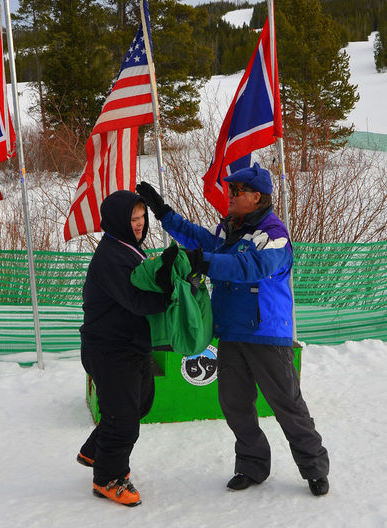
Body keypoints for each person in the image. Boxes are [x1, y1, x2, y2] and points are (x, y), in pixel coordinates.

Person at [136, 162, 330, 497]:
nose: (230, 195)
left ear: (256, 196)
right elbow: (199, 239)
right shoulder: (229, 229)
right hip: (231, 333)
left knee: (287, 405)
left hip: (266, 333)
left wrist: (204, 262)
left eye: (236, 191)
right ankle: (252, 465)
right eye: (230, 190)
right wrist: (163, 212)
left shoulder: (273, 235)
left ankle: (314, 468)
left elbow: (249, 267)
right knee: (234, 403)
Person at [77, 190, 169, 507]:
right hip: (111, 350)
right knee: (124, 419)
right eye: (133, 219)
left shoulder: (129, 249)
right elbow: (137, 301)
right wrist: (171, 293)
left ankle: (93, 450)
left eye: (142, 217)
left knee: (139, 403)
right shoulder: (111, 257)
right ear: (118, 221)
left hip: (130, 345)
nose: (140, 224)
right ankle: (108, 477)